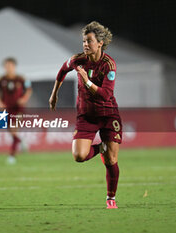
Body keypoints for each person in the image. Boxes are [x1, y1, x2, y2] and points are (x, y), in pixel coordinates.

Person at [49, 21, 122, 209]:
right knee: (79, 156)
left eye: (89, 41)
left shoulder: (109, 65)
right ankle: (100, 148)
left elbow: (106, 94)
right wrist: (54, 93)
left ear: (100, 43)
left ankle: (110, 198)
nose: (85, 45)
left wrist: (87, 81)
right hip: (86, 116)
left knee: (112, 160)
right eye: (83, 41)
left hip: (108, 115)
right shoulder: (78, 60)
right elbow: (63, 69)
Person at [0, 57, 32, 164]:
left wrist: (24, 99)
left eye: (10, 66)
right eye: (6, 66)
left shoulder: (21, 78)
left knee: (14, 129)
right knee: (11, 132)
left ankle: (12, 156)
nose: (8, 68)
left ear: (14, 66)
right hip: (6, 108)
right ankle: (21, 141)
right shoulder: (1, 80)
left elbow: (29, 90)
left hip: (18, 108)